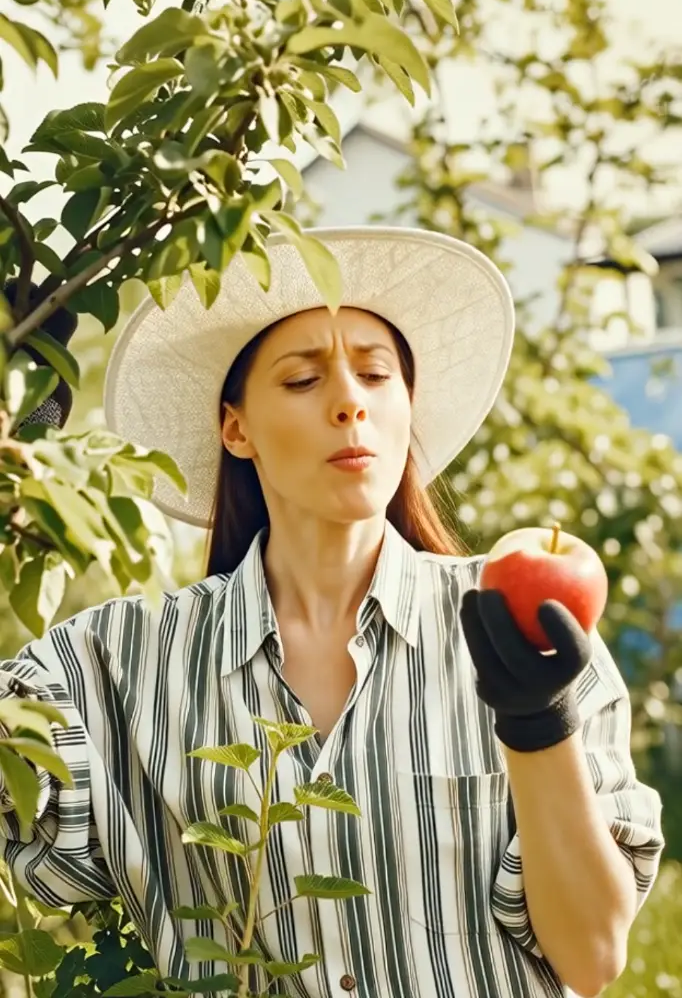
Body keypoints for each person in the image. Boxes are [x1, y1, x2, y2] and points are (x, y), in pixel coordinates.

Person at [0, 226, 664, 998]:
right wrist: (13, 447)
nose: (350, 401)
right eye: (302, 381)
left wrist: (538, 724)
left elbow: (590, 956)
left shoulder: (523, 630)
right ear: (236, 427)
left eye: (376, 374)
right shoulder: (121, 660)